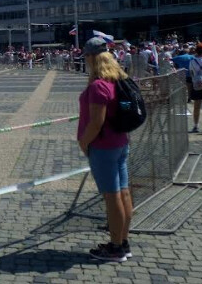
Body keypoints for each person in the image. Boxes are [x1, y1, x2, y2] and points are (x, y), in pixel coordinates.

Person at [76, 37, 133, 263]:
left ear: (91, 57)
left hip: (103, 145)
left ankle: (115, 247)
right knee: (123, 193)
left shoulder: (98, 85)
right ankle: (123, 241)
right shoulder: (118, 79)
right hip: (120, 142)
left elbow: (96, 122)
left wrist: (84, 142)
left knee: (112, 196)